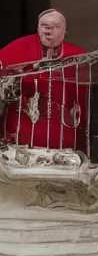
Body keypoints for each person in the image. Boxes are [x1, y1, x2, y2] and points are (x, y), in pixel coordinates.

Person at [0, 9, 89, 152]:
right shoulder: (19, 46)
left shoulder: (78, 55)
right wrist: (12, 72)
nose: (49, 31)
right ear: (38, 28)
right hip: (23, 125)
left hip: (61, 126)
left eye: (55, 27)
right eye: (45, 26)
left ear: (64, 31)